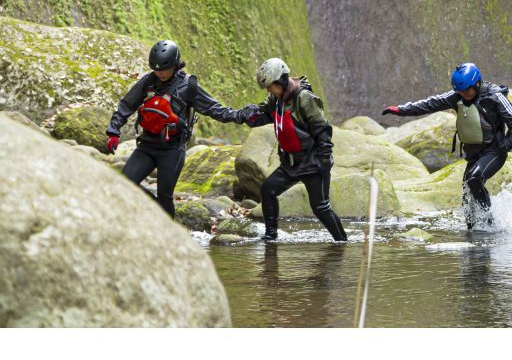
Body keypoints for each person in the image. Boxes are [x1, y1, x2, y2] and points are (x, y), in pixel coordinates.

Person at [105, 40, 259, 218]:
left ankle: (170, 233)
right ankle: (153, 214)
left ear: (174, 65)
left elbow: (214, 109)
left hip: (172, 150)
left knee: (164, 196)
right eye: (155, 69)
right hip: (146, 146)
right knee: (124, 184)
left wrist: (240, 115)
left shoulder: (188, 86)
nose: (159, 73)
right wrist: (113, 130)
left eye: (163, 69)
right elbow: (126, 104)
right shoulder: (149, 82)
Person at [382, 62, 512, 229]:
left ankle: (490, 224)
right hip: (474, 154)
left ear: (477, 83)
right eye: (460, 91)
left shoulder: (495, 97)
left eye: (467, 90)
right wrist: (401, 110)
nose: (464, 94)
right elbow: (430, 104)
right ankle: (473, 230)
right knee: (467, 196)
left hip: (494, 152)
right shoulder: (457, 96)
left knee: (474, 178)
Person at [245, 58, 347, 242]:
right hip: (290, 163)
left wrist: (324, 162)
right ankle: (270, 237)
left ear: (281, 80)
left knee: (321, 208)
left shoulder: (303, 98)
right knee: (268, 190)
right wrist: (246, 116)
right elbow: (263, 115)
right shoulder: (276, 100)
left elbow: (322, 130)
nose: (268, 91)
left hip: (313, 163)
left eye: (270, 86)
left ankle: (341, 243)